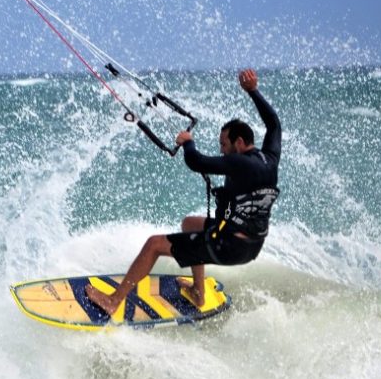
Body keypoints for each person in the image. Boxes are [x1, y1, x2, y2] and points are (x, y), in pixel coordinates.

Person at [85, 67, 281, 315]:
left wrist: (188, 142)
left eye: (224, 145)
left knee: (154, 244)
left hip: (228, 246)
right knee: (190, 223)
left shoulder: (240, 163)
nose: (222, 151)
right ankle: (198, 293)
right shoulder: (270, 159)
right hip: (251, 245)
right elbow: (274, 124)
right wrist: (254, 92)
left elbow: (196, 161)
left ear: (239, 143)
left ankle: (113, 301)